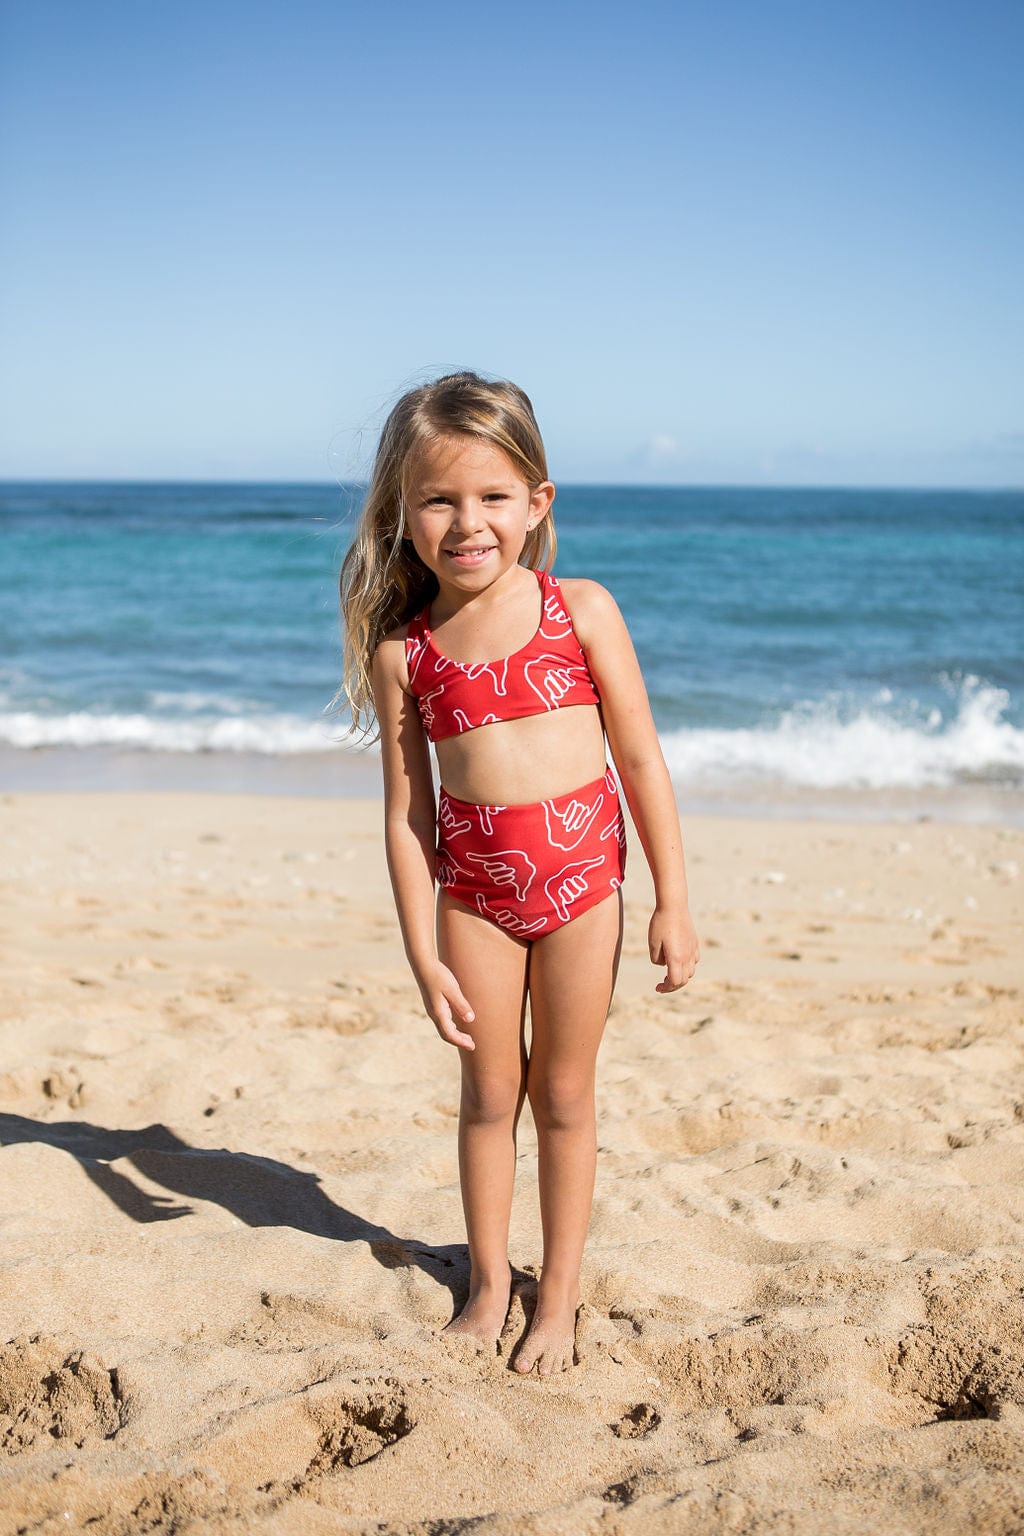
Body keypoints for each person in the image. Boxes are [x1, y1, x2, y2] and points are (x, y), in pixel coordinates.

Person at [339, 371, 699, 1377]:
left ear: (536, 504)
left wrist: (673, 898)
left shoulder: (578, 610)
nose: (467, 522)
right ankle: (493, 1280)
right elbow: (411, 816)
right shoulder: (406, 655)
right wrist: (421, 948)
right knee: (490, 1092)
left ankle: (562, 1298)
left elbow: (638, 761)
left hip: (585, 888)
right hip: (476, 902)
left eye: (493, 497)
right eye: (439, 499)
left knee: (566, 1094)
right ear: (402, 514)